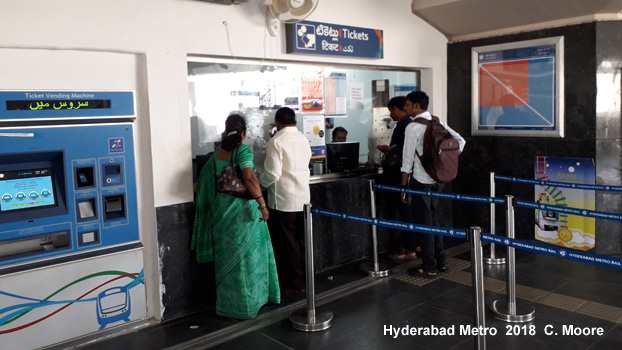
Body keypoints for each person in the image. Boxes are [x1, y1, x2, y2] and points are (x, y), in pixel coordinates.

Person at [191, 114, 280, 319]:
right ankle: (248, 304)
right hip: (242, 214)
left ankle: (228, 305)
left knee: (227, 260)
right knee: (247, 260)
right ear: (244, 132)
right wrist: (263, 205)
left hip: (221, 214)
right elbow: (249, 177)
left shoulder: (217, 154)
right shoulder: (243, 150)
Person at [401, 91, 465, 276]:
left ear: (415, 106)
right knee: (434, 221)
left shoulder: (412, 127)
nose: (405, 107)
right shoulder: (437, 121)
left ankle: (429, 266)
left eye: (407, 104)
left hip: (421, 181)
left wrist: (404, 187)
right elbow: (460, 141)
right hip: (439, 180)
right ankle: (442, 262)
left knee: (424, 224)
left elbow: (407, 161)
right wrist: (444, 160)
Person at [260, 107, 312, 294]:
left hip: (284, 202)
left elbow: (273, 173)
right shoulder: (303, 138)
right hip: (304, 199)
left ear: (278, 123)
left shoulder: (276, 141)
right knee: (303, 242)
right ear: (295, 122)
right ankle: (308, 279)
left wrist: (260, 183)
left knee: (289, 245)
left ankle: (295, 284)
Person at [377, 96, 418, 260]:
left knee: (406, 210)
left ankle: (409, 248)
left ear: (395, 108)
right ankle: (415, 243)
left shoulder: (404, 126)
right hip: (409, 174)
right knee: (410, 211)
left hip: (402, 175)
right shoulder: (410, 125)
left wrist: (388, 150)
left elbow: (401, 152)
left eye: (391, 111)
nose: (391, 115)